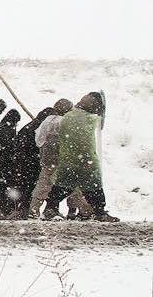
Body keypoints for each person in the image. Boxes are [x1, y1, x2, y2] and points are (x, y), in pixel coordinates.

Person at [42, 93, 119, 222]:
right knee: (94, 187)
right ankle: (99, 212)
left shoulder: (68, 116)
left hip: (68, 160)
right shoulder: (88, 119)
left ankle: (51, 208)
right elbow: (86, 141)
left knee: (62, 186)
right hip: (85, 160)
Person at [28, 99, 73, 218]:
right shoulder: (63, 122)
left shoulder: (47, 120)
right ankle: (82, 211)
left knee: (43, 184)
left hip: (46, 157)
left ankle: (34, 209)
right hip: (60, 158)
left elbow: (39, 139)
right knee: (72, 184)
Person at [7, 107, 54, 219]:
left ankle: (20, 210)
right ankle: (25, 210)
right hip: (32, 162)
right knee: (31, 188)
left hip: (23, 162)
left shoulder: (29, 126)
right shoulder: (39, 128)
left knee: (23, 187)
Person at [0, 109, 22, 219]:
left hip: (1, 161)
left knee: (3, 187)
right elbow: (9, 146)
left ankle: (4, 209)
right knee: (9, 186)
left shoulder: (2, 127)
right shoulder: (8, 129)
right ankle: (8, 209)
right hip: (7, 162)